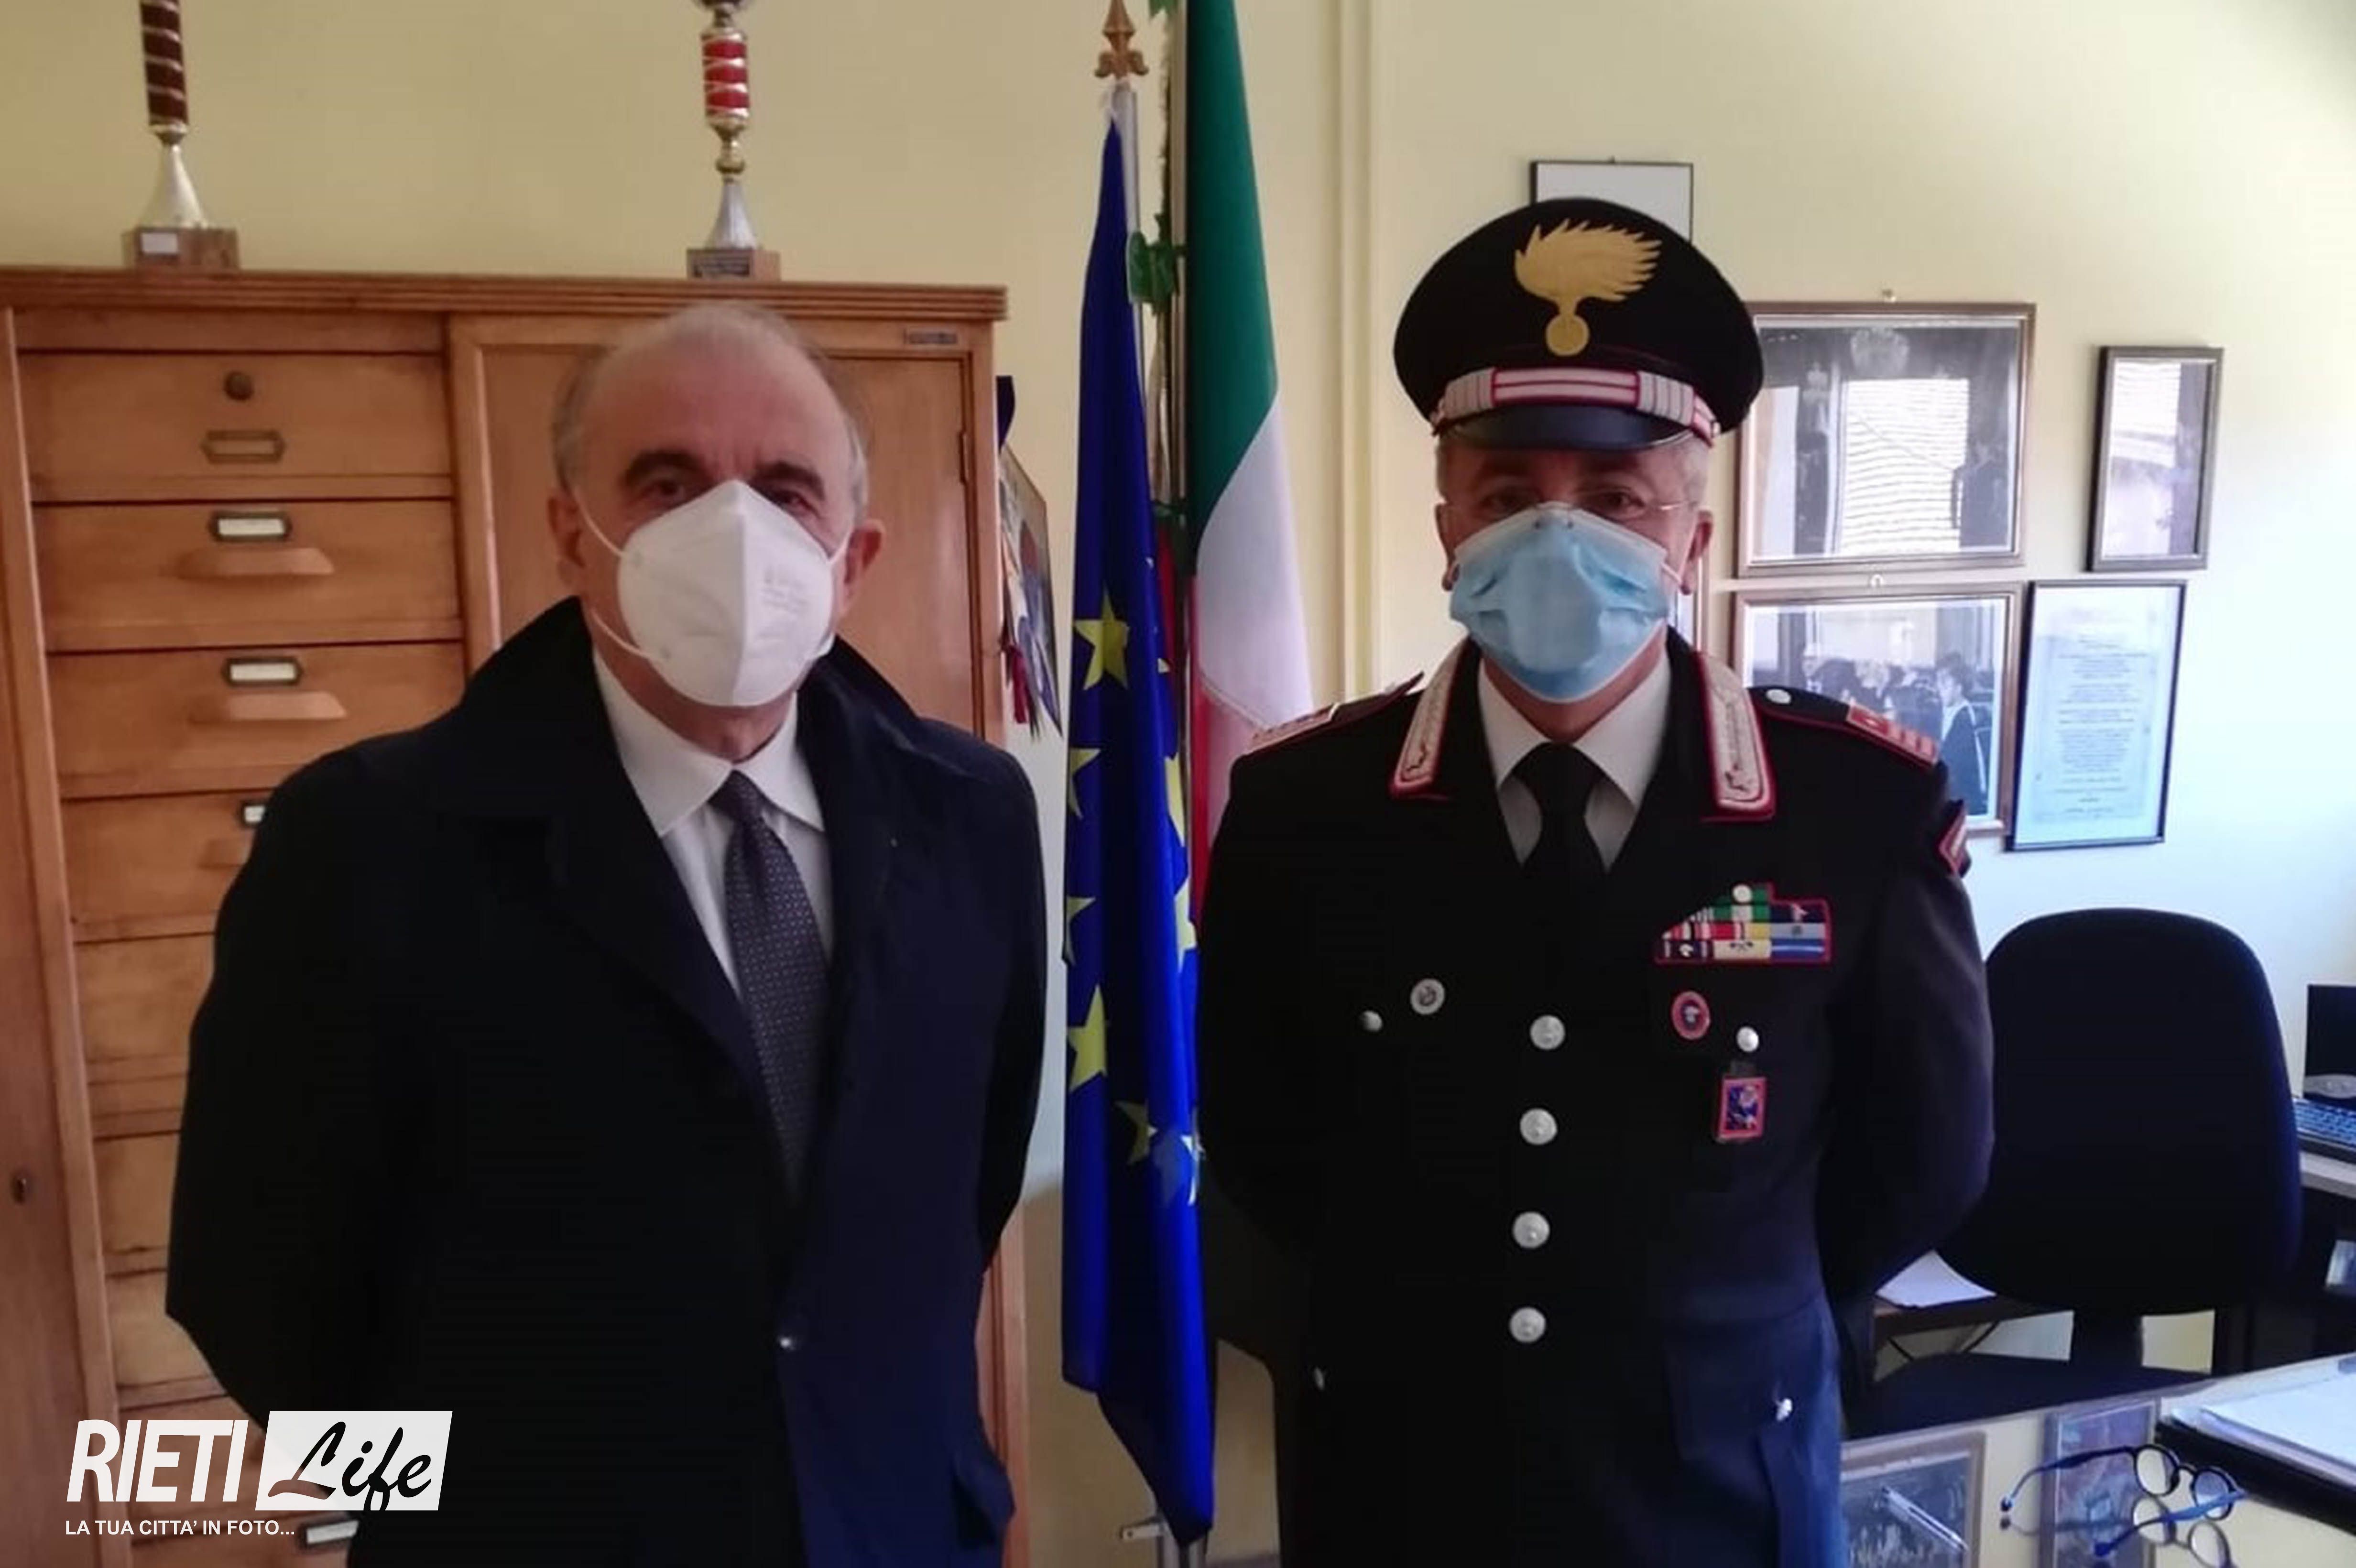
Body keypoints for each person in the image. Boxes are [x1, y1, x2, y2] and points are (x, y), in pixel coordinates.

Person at [168, 304, 1045, 1567]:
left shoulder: (971, 814)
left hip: (894, 1525)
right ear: (573, 536)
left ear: (851, 560)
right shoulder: (365, 845)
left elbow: (964, 1195)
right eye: (668, 484)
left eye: (784, 491)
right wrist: (455, 1513)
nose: (730, 531)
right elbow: (255, 1288)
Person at [1198, 199, 1993, 1566]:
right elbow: (1268, 1149)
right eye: (1507, 494)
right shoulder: (1304, 810)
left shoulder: (1855, 810)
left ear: (1692, 538)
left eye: (1619, 497)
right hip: (1405, 1488)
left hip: (1722, 1488)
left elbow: (1925, 1157)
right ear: (1447, 524)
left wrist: (1726, 1308)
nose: (1556, 533)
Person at [1935, 652, 1990, 817]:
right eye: (1938, 681)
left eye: (1945, 682)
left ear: (1959, 687)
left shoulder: (1966, 719)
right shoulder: (1943, 713)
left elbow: (1951, 763)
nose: (1939, 688)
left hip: (1964, 803)